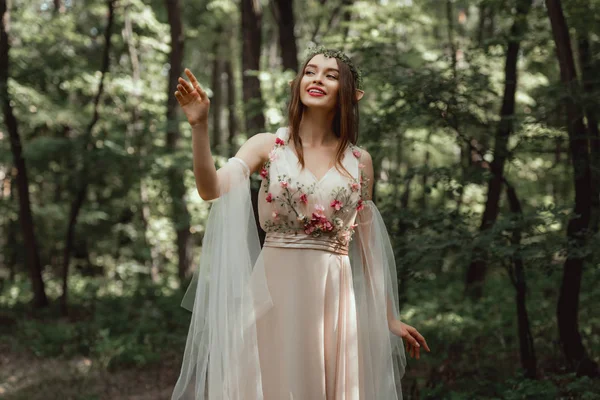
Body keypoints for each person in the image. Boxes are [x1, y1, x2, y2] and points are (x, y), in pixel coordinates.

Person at [170, 47, 430, 400]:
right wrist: (199, 126)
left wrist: (389, 316)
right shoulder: (268, 145)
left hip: (333, 302)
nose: (318, 79)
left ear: (350, 93)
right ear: (298, 83)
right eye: (311, 71)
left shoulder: (360, 161)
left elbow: (369, 247)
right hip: (273, 294)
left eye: (331, 74)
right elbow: (209, 188)